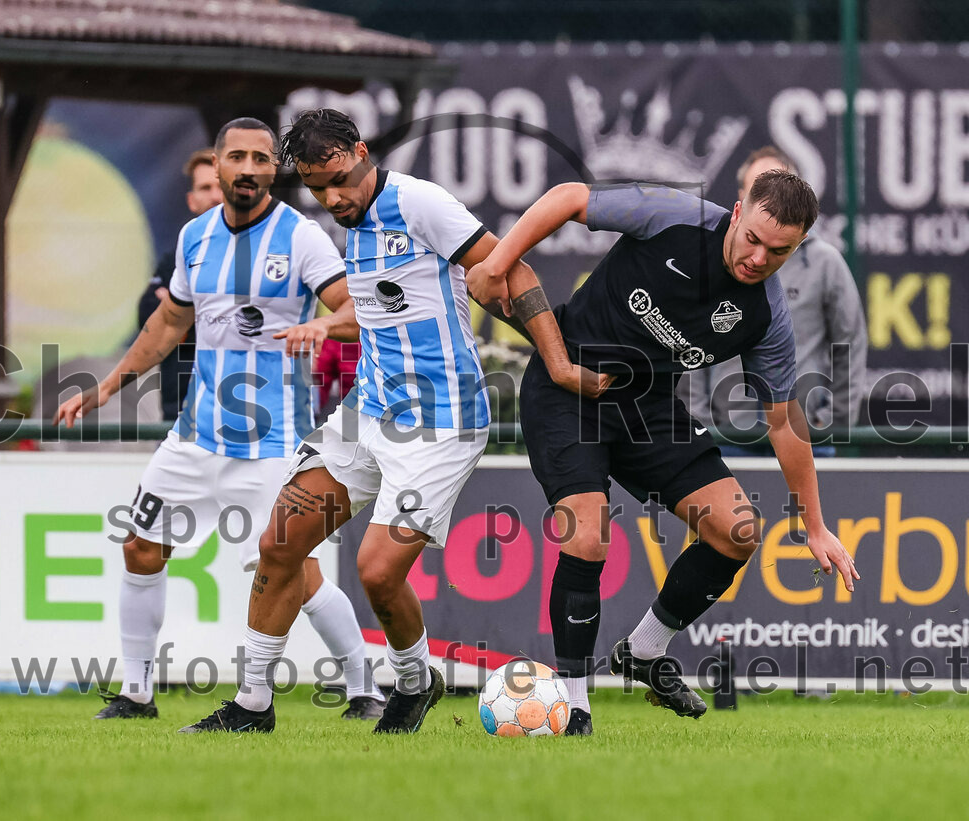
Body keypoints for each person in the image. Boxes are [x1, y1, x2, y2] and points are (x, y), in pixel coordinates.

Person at [179, 108, 601, 735]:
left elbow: (510, 272)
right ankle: (251, 705)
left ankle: (413, 681)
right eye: (318, 188)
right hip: (368, 411)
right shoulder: (350, 225)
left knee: (377, 571)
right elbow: (375, 314)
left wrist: (561, 365)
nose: (333, 197)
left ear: (361, 150)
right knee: (279, 543)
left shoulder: (421, 203)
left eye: (340, 179)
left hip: (441, 424)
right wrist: (326, 325)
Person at [467, 170, 859, 735]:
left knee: (739, 529)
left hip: (646, 408)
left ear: (798, 247)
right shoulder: (675, 216)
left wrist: (815, 526)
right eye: (752, 237)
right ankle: (573, 703)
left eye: (778, 251)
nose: (758, 258)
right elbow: (568, 198)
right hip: (567, 391)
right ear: (736, 210)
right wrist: (500, 261)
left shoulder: (766, 316)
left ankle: (645, 652)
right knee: (588, 532)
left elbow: (785, 421)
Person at [54, 117, 386, 722]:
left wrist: (319, 324)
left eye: (263, 159)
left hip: (272, 445)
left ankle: (366, 687)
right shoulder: (194, 238)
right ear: (219, 162)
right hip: (195, 436)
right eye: (239, 157)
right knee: (140, 547)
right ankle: (135, 695)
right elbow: (167, 326)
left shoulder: (301, 237)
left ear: (273, 170)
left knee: (296, 571)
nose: (251, 169)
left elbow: (357, 313)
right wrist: (105, 388)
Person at [677, 146, 868, 449]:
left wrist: (834, 422)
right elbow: (692, 344)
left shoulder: (824, 262)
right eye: (760, 190)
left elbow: (850, 343)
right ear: (742, 201)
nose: (774, 200)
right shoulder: (709, 259)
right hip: (727, 438)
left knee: (807, 499)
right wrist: (699, 424)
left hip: (806, 436)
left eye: (783, 188)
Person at [137, 149, 221, 420]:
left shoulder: (258, 252)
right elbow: (146, 318)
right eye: (205, 187)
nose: (215, 196)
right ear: (191, 200)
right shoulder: (175, 256)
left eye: (221, 186)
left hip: (241, 411)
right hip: (180, 409)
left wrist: (178, 309)